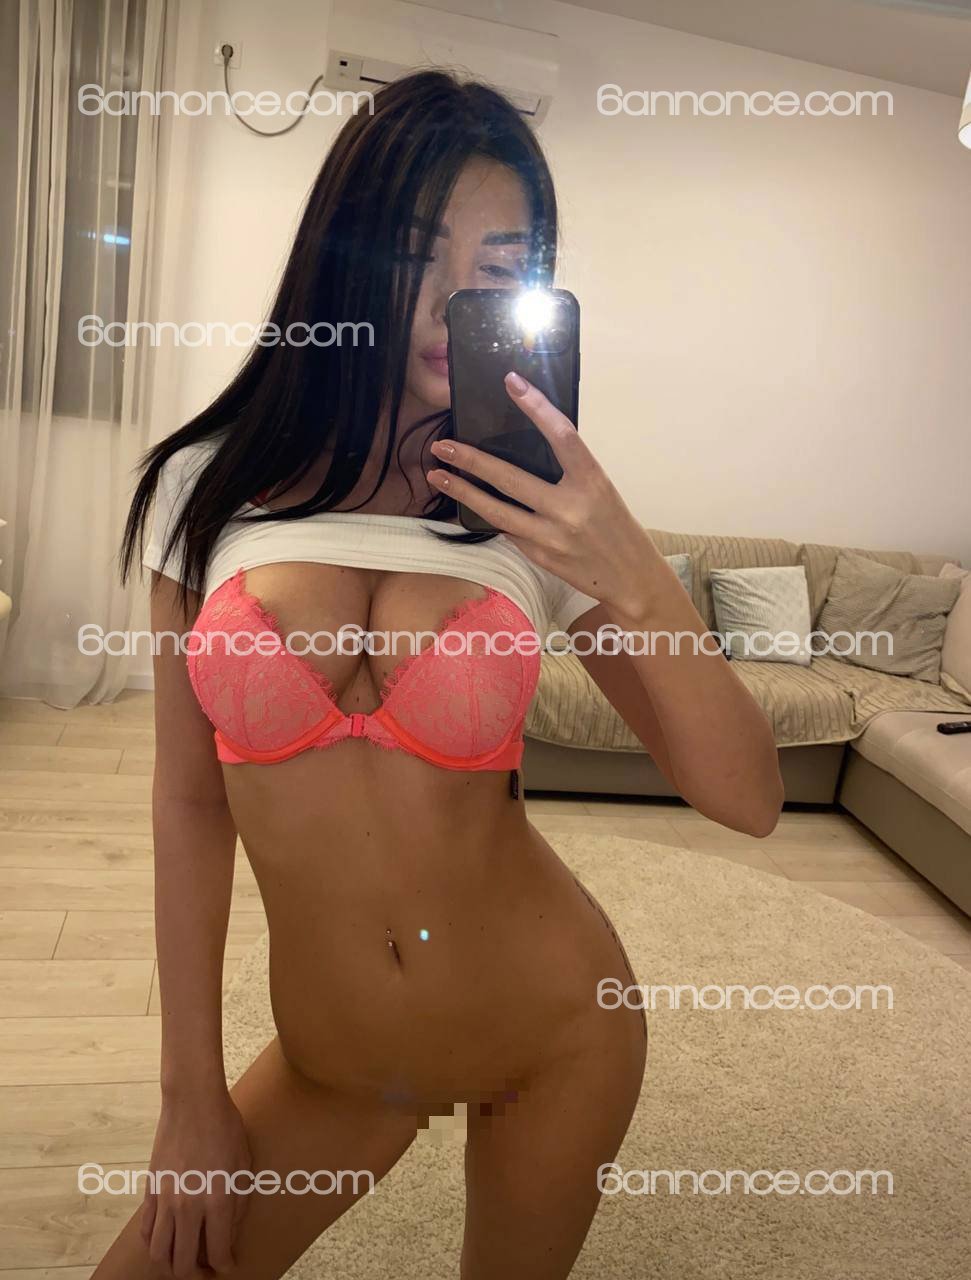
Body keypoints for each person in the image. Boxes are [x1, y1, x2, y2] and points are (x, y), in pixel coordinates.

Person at [100, 70, 783, 1280]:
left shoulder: (537, 510)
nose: (448, 299)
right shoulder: (204, 487)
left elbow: (746, 796)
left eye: (496, 266)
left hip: (554, 1030)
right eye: (416, 253)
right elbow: (188, 802)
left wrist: (631, 568)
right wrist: (187, 1092)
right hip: (332, 1056)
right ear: (341, 259)